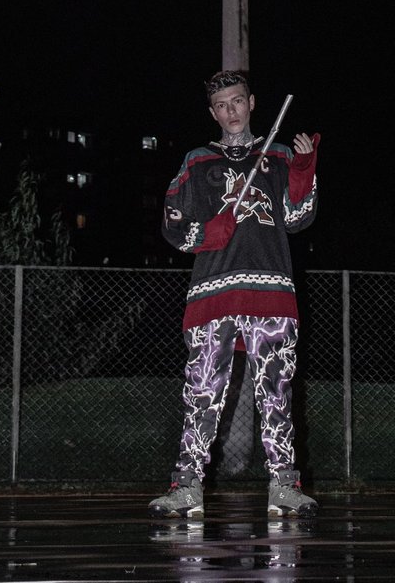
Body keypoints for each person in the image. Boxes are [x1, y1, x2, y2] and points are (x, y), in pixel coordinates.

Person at [148, 70, 320, 519]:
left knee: (277, 392)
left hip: (271, 292)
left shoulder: (278, 155)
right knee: (202, 392)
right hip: (214, 296)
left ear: (252, 103)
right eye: (222, 105)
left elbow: (298, 218)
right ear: (213, 113)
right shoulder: (197, 161)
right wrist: (208, 233)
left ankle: (285, 486)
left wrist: (303, 170)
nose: (231, 111)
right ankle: (187, 488)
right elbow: (171, 223)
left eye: (237, 101)